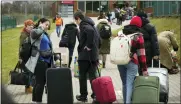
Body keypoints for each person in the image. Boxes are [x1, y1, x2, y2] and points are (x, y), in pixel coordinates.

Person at [117, 16, 148, 103]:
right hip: (132, 62)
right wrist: (144, 69)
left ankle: (125, 101)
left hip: (120, 61)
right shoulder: (138, 36)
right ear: (139, 25)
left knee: (124, 84)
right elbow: (141, 54)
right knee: (130, 84)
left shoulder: (122, 32)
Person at [73, 10, 101, 102]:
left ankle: (83, 95)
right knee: (93, 76)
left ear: (79, 19)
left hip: (85, 56)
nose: (75, 22)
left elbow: (90, 32)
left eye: (75, 20)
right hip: (93, 56)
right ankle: (96, 95)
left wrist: (89, 46)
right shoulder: (92, 24)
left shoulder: (84, 25)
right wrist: (95, 50)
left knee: (82, 76)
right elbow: (99, 41)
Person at [25, 18, 53, 103]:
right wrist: (41, 27)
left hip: (46, 61)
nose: (47, 26)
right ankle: (38, 101)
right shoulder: (35, 31)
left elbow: (48, 45)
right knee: (40, 83)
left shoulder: (44, 33)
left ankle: (35, 100)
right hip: (39, 61)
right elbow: (34, 35)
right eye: (46, 24)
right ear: (41, 23)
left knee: (39, 82)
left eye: (48, 25)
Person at [19, 19, 34, 93]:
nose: (31, 26)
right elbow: (21, 47)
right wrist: (20, 58)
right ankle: (28, 88)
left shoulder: (30, 33)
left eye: (32, 25)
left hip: (29, 55)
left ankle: (28, 87)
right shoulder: (24, 34)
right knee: (27, 72)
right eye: (29, 25)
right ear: (26, 26)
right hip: (24, 56)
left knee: (30, 72)